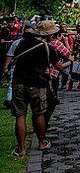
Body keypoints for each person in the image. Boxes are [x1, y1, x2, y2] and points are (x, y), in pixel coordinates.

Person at [10, 20, 71, 156]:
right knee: (39, 114)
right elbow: (59, 67)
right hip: (37, 84)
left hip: (19, 82)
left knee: (20, 115)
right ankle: (42, 142)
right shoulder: (48, 48)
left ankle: (21, 149)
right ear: (50, 34)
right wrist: (70, 61)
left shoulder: (22, 43)